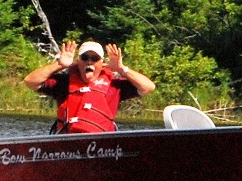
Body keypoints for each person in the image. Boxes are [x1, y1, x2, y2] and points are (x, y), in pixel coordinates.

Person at [23, 40, 156, 133]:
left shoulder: (115, 86)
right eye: (85, 57)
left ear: (102, 63)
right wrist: (59, 64)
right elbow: (30, 81)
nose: (89, 61)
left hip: (103, 145)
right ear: (78, 61)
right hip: (69, 143)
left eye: (95, 58)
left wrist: (122, 69)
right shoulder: (63, 83)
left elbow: (148, 87)